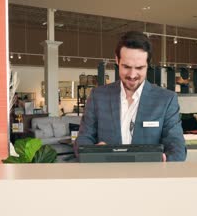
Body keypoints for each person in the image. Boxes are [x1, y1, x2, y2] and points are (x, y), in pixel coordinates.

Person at [75, 31, 186, 161]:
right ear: (117, 60)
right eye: (126, 67)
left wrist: (166, 159)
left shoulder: (166, 99)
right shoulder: (98, 96)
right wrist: (93, 152)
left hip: (148, 177)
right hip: (107, 176)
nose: (132, 75)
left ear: (148, 64)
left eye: (139, 68)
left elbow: (177, 146)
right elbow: (83, 139)